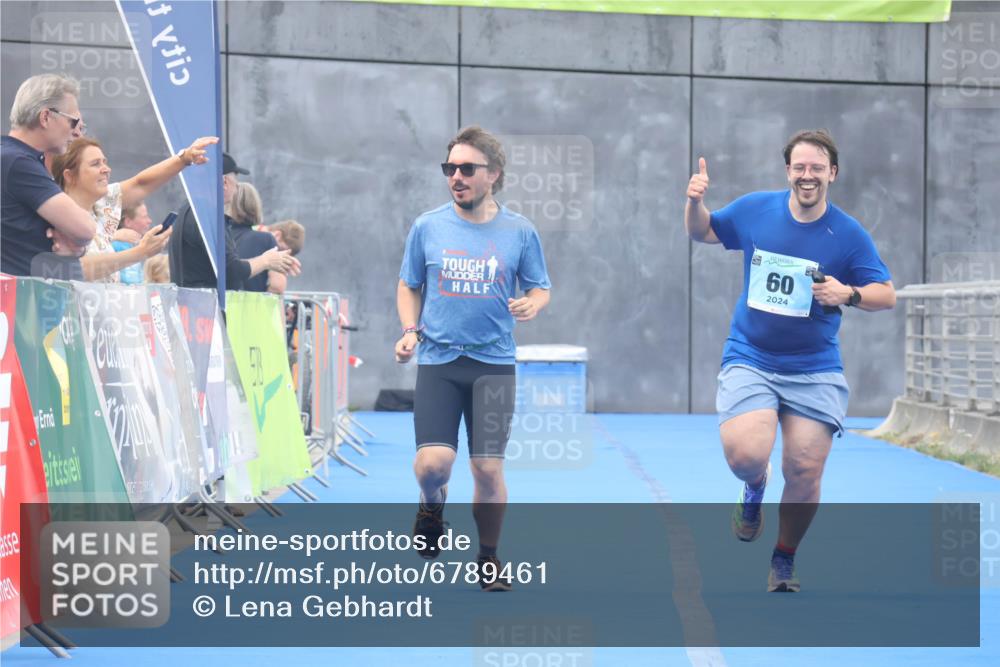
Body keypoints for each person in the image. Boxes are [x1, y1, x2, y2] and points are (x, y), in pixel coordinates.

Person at [685, 129, 896, 592]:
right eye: (799, 167)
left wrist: (850, 293)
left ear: (832, 174)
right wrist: (696, 201)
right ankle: (753, 489)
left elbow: (887, 295)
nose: (807, 175)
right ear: (788, 172)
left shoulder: (847, 233)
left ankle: (784, 557)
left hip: (814, 367)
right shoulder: (755, 209)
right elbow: (702, 231)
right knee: (745, 456)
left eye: (816, 168)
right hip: (752, 357)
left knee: (803, 469)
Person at [395, 126, 551, 591]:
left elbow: (540, 286)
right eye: (450, 168)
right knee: (432, 466)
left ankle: (488, 557)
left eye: (467, 168)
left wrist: (534, 303)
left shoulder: (519, 231)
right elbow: (409, 283)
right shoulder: (428, 226)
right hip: (440, 362)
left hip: (494, 364)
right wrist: (409, 330)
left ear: (493, 174)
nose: (456, 177)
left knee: (487, 468)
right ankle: (431, 506)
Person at [51, 135, 216, 281]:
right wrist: (140, 252)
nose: (106, 169)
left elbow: (141, 183)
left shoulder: (100, 204)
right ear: (69, 176)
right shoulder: (57, 216)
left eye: (105, 162)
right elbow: (76, 269)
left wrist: (184, 158)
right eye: (95, 164)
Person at [2, 74, 95, 277]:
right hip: (22, 303)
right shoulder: (18, 163)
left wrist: (75, 244)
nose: (78, 133)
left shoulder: (16, 158)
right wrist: (76, 237)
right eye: (74, 122)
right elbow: (85, 229)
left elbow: (78, 234)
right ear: (45, 117)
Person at [169, 151, 299, 290]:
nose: (237, 188)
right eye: (236, 183)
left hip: (194, 304)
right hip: (204, 307)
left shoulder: (191, 209)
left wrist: (272, 260)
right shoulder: (207, 214)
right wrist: (266, 260)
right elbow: (232, 270)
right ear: (224, 182)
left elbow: (224, 266)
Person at [227, 182, 286, 294]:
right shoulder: (266, 240)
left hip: (221, 309)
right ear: (255, 206)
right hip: (255, 309)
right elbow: (277, 286)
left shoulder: (219, 238)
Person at [111, 201, 154, 284]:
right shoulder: (116, 246)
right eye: (145, 217)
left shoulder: (132, 246)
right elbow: (131, 282)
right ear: (128, 222)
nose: (150, 221)